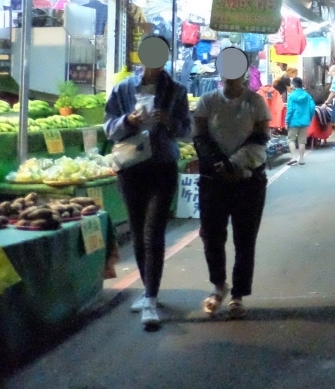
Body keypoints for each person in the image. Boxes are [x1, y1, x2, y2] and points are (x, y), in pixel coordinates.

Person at [105, 36, 191, 331]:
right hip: (130, 169)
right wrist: (128, 121)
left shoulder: (176, 91)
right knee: (139, 231)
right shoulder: (123, 89)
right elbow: (108, 128)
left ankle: (151, 300)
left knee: (154, 232)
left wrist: (168, 121)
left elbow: (186, 131)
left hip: (162, 167)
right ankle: (147, 289)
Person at [193, 48, 272, 319]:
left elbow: (261, 138)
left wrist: (234, 164)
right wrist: (219, 164)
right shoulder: (208, 101)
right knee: (211, 236)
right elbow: (200, 137)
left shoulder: (255, 102)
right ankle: (219, 285)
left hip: (248, 179)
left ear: (244, 71)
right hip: (213, 180)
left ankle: (238, 295)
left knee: (245, 238)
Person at [285, 77, 314, 165]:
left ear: (293, 85)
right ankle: (301, 159)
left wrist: (287, 121)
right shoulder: (307, 95)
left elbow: (290, 110)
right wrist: (309, 118)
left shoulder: (291, 96)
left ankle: (294, 157)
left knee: (291, 139)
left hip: (293, 121)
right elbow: (312, 107)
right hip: (304, 121)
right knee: (302, 141)